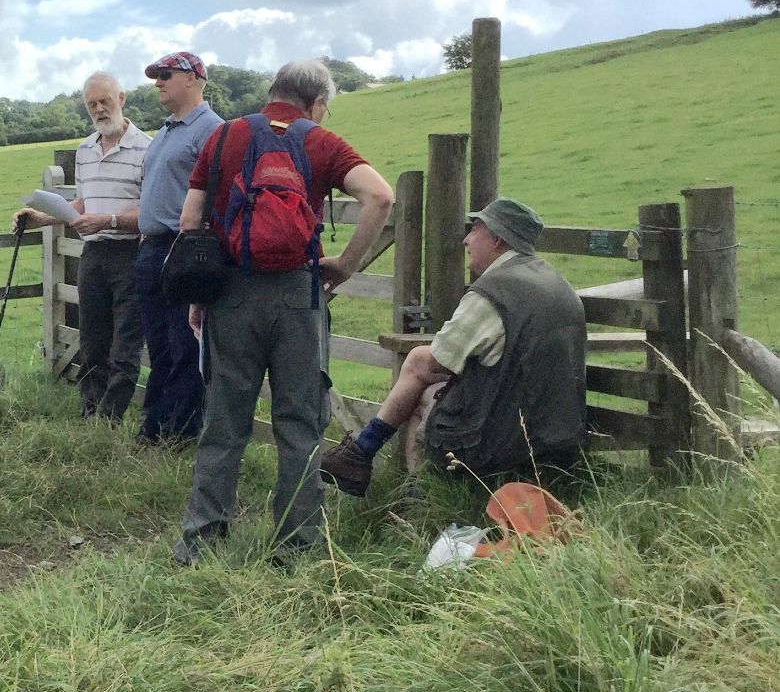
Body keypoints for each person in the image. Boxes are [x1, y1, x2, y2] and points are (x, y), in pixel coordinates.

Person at [173, 60, 394, 565]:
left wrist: (198, 297)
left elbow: (191, 219)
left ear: (271, 93)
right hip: (300, 293)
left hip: (230, 293)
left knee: (225, 420)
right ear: (316, 104)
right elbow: (381, 197)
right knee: (299, 424)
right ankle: (297, 548)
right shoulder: (321, 142)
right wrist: (346, 265)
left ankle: (201, 541)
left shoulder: (225, 137)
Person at [320, 197, 588, 496]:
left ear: (497, 238)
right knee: (434, 376)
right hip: (562, 439)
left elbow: (438, 359)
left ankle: (416, 494)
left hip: (506, 444)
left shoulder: (494, 292)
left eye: (475, 229)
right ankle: (363, 457)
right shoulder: (556, 282)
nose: (466, 240)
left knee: (422, 385)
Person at [14, 71, 150, 421]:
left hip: (129, 253)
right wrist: (43, 218)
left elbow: (150, 210)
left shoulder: (147, 148)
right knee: (92, 339)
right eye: (92, 104)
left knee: (125, 345)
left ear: (122, 99)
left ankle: (111, 418)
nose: (99, 109)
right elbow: (83, 204)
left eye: (105, 101)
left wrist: (109, 221)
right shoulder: (85, 150)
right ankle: (90, 413)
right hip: (94, 255)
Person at [134, 51, 225, 445]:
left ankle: (181, 432)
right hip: (152, 248)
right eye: (156, 76)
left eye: (166, 75)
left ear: (192, 78)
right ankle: (155, 426)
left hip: (184, 247)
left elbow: (217, 196)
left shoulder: (212, 130)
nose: (158, 82)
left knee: (184, 343)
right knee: (158, 342)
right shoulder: (167, 130)